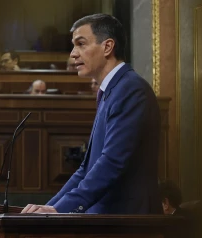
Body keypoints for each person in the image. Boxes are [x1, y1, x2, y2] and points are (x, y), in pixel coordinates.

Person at [21, 13, 161, 214]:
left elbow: (112, 162)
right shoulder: (111, 91)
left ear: (107, 47)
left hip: (128, 222)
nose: (73, 54)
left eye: (81, 44)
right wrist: (50, 208)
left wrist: (60, 210)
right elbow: (85, 170)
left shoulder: (130, 89)